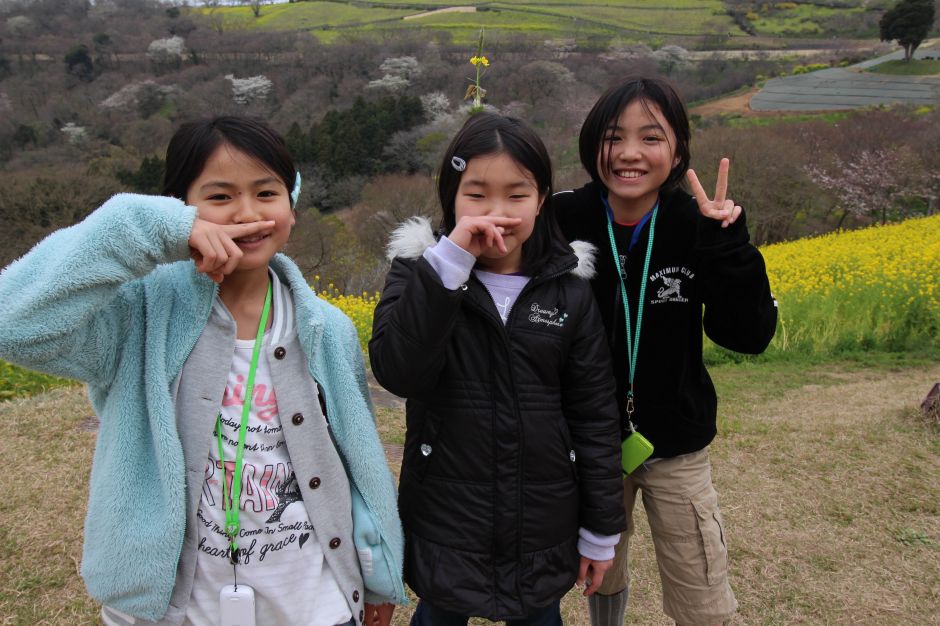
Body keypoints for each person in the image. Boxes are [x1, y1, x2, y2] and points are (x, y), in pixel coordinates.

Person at [0, 116, 405, 626]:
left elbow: (359, 461)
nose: (247, 213)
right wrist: (148, 228)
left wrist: (378, 575)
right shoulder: (137, 314)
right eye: (219, 197)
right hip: (181, 610)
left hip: (317, 603)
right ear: (179, 209)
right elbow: (13, 323)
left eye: (267, 193)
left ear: (292, 206)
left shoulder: (327, 327)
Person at [368, 112, 627, 625]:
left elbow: (595, 417)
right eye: (477, 194)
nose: (497, 212)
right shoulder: (420, 272)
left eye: (517, 194)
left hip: (543, 524)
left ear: (542, 199)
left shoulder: (569, 290)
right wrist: (448, 266)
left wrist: (601, 532)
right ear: (451, 197)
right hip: (445, 517)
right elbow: (399, 371)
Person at [553, 76, 778, 626]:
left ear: (678, 151)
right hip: (585, 439)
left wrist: (728, 246)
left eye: (651, 137)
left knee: (700, 582)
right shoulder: (561, 217)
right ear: (591, 144)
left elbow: (747, 335)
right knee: (601, 568)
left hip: (676, 441)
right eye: (613, 137)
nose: (629, 153)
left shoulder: (697, 223)